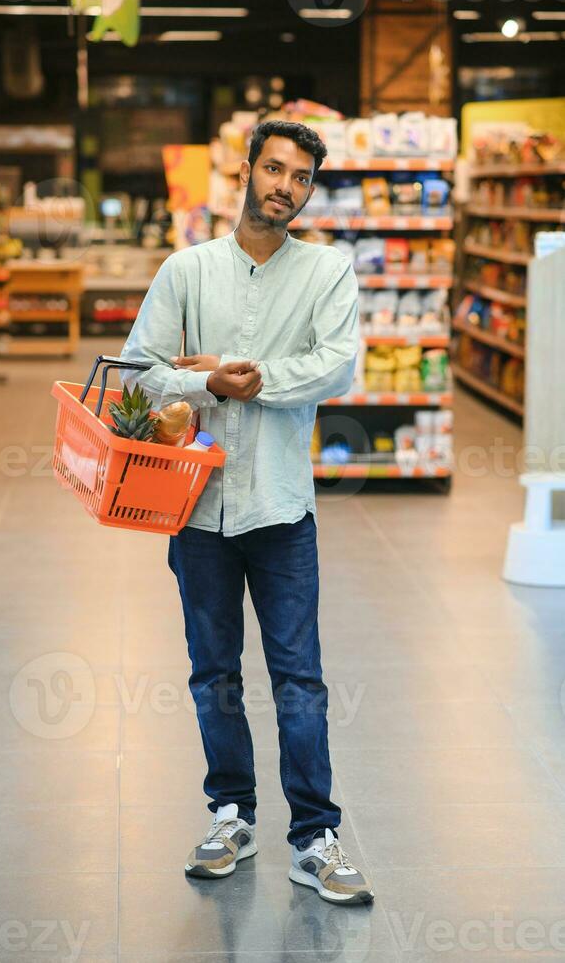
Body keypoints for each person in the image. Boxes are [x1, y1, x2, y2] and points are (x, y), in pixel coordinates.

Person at [120, 120, 373, 905]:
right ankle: (231, 813)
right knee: (213, 673)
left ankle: (313, 836)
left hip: (281, 507)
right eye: (275, 169)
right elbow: (137, 372)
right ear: (247, 170)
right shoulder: (188, 270)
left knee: (299, 677)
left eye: (300, 178)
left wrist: (251, 377)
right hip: (195, 508)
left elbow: (338, 365)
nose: (285, 188)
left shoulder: (328, 272)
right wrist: (203, 386)